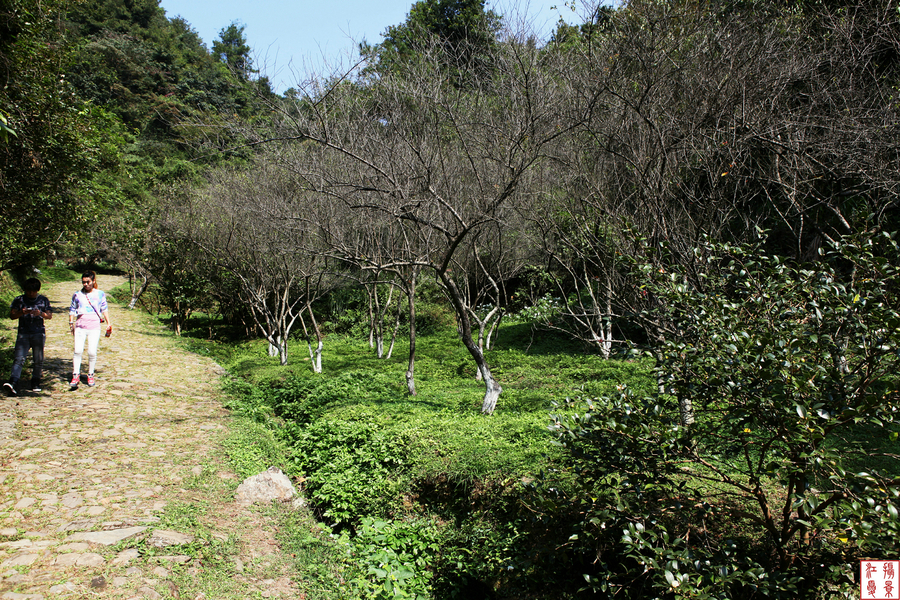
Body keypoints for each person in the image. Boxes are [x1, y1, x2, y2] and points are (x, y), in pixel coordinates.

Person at [3, 278, 52, 395]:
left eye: (33, 291)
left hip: (38, 333)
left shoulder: (43, 300)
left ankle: (36, 381)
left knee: (38, 359)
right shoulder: (19, 300)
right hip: (23, 333)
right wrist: (22, 312)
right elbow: (12, 316)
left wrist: (40, 313)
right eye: (28, 291)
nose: (30, 293)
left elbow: (49, 315)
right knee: (19, 358)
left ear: (37, 290)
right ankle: (13, 381)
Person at [68, 270, 113, 389]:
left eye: (88, 282)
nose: (86, 284)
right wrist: (71, 323)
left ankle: (90, 374)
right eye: (83, 282)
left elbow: (104, 308)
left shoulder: (100, 294)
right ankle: (75, 374)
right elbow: (72, 309)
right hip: (80, 326)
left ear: (93, 281)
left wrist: (109, 323)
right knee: (77, 351)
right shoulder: (77, 294)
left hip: (94, 326)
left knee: (92, 352)